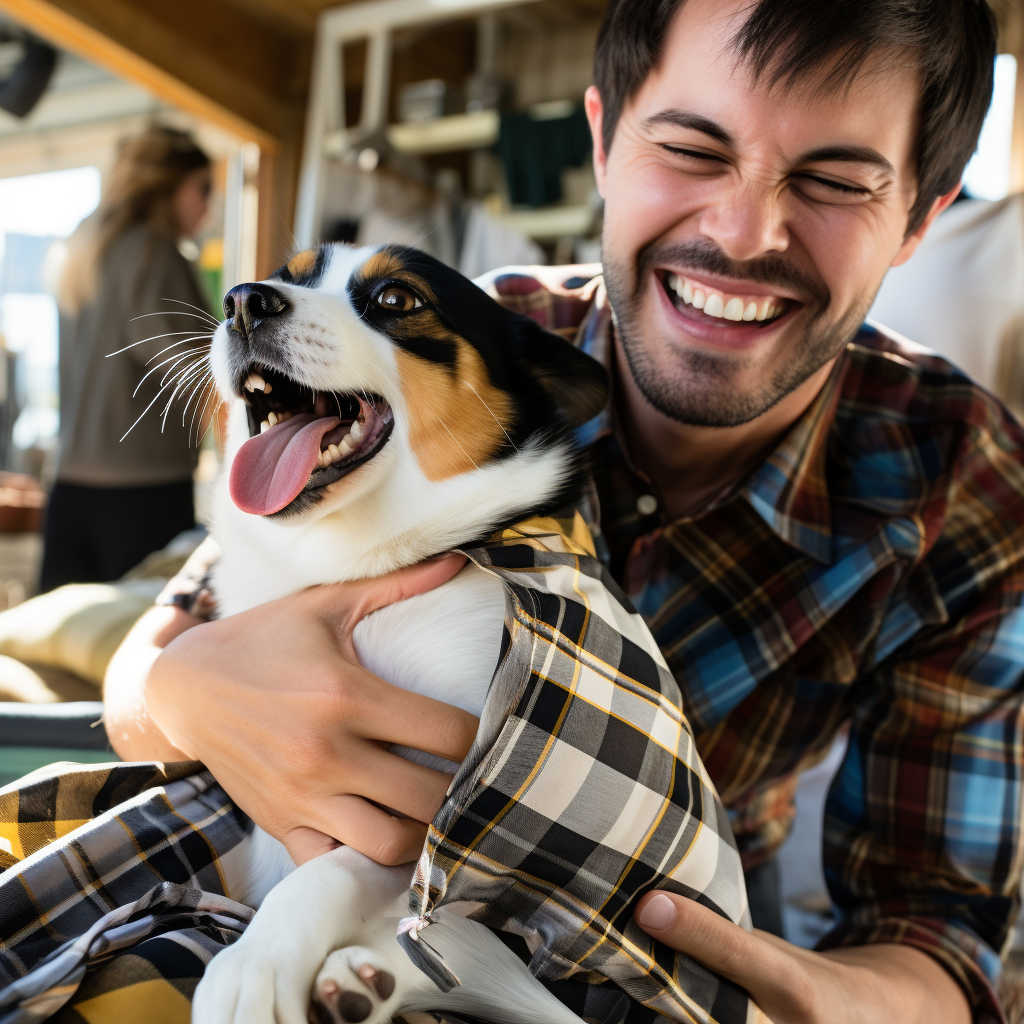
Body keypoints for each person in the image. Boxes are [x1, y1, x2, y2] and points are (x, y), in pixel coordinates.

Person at [100, 0, 1023, 1021]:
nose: (743, 232)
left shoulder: (959, 477)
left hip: (674, 939)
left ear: (921, 214)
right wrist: (182, 694)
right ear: (602, 138)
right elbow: (148, 665)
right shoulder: (466, 338)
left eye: (835, 182)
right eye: (690, 148)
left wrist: (788, 992)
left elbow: (939, 929)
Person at [40, 126, 213, 592]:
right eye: (204, 188)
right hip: (142, 495)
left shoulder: (85, 245)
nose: (208, 206)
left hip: (70, 488)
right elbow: (203, 372)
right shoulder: (155, 254)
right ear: (169, 184)